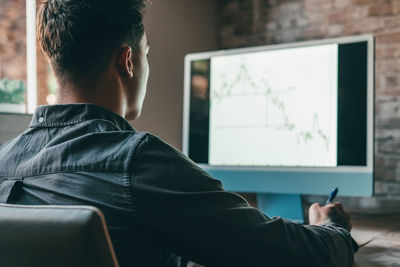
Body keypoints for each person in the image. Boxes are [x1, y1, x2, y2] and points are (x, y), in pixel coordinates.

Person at [0, 0, 358, 266]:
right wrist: (333, 229)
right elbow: (290, 256)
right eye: (146, 54)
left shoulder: (4, 162)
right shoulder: (136, 161)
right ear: (128, 61)